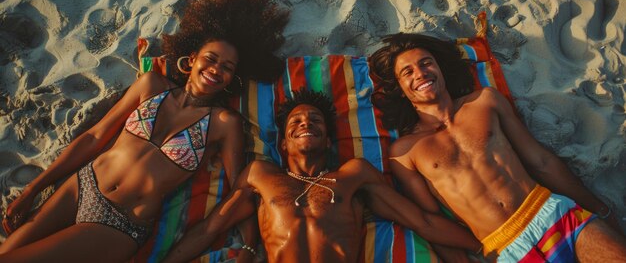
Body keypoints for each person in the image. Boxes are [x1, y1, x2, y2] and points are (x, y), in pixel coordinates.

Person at [0, 0, 289, 261]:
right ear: (191, 61)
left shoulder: (224, 123)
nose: (216, 69)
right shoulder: (151, 85)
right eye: (210, 59)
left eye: (227, 67)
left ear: (232, 78)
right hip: (82, 185)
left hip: (120, 223)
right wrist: (32, 191)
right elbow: (94, 137)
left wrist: (250, 246)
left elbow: (238, 188)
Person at [369, 33, 626, 262]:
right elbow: (432, 222)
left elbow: (542, 162)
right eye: (408, 72)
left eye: (426, 63)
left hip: (553, 212)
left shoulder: (484, 101)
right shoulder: (405, 152)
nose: (420, 73)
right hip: (505, 248)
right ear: (401, 89)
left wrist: (597, 207)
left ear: (439, 68)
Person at [162, 89, 482, 263]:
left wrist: (485, 246)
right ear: (283, 143)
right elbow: (210, 229)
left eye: (315, 120)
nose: (306, 123)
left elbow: (421, 222)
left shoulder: (353, 174)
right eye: (296, 121)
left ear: (329, 141)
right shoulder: (260, 174)